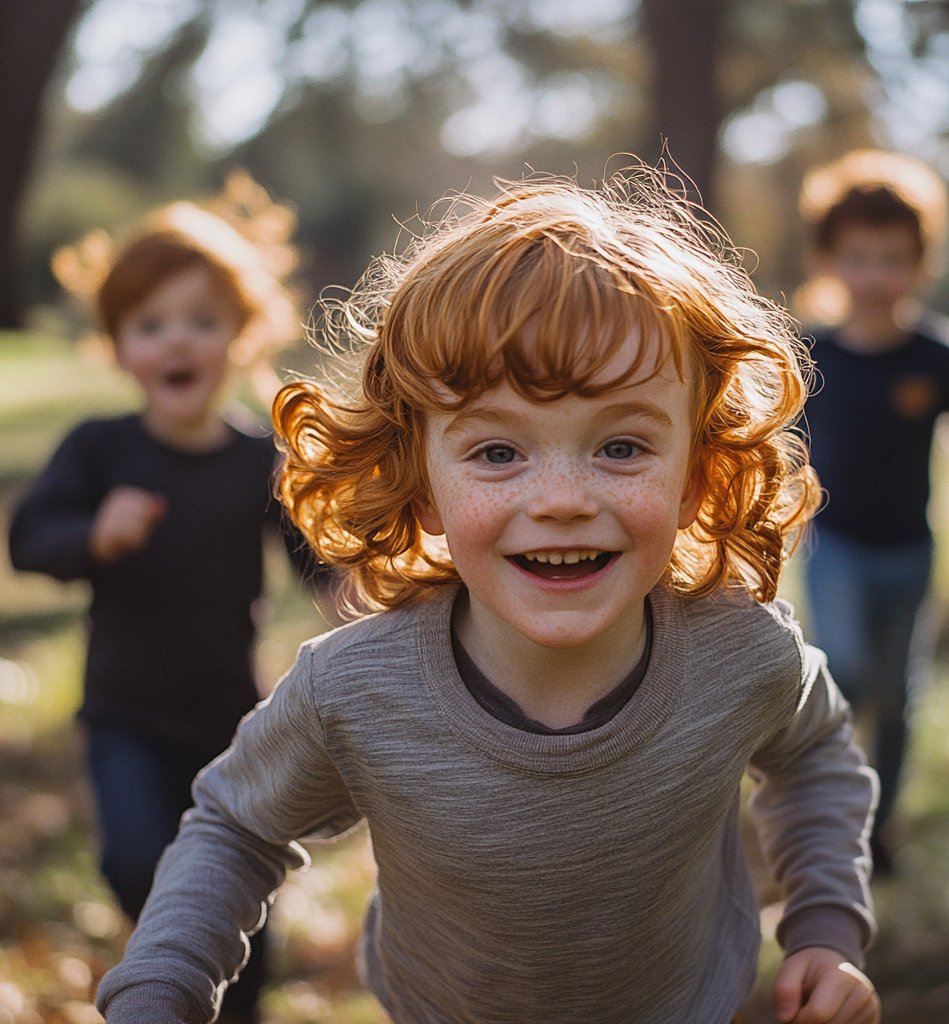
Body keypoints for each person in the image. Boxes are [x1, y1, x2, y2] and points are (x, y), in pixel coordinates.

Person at [95, 169, 880, 1024]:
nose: (562, 498)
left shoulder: (743, 653)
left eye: (621, 445)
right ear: (420, 483)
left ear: (698, 474)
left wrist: (826, 927)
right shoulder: (355, 691)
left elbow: (816, 758)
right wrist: (159, 988)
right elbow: (236, 830)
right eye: (498, 454)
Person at [8, 173, 316, 1024]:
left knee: (242, 878)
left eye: (202, 321)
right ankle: (173, 972)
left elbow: (316, 564)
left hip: (230, 719)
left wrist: (361, 595)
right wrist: (94, 537)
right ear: (117, 343)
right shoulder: (99, 450)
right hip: (126, 716)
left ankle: (241, 997)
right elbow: (29, 539)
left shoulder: (260, 462)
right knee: (139, 861)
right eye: (151, 325)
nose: (177, 342)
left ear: (242, 334)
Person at [797, 150, 949, 874]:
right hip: (835, 543)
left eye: (892, 258)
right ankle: (820, 800)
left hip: (909, 549)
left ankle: (878, 830)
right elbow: (770, 443)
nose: (873, 276)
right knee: (849, 670)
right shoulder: (810, 354)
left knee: (896, 695)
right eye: (856, 258)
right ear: (828, 259)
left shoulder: (938, 356)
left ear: (921, 263)